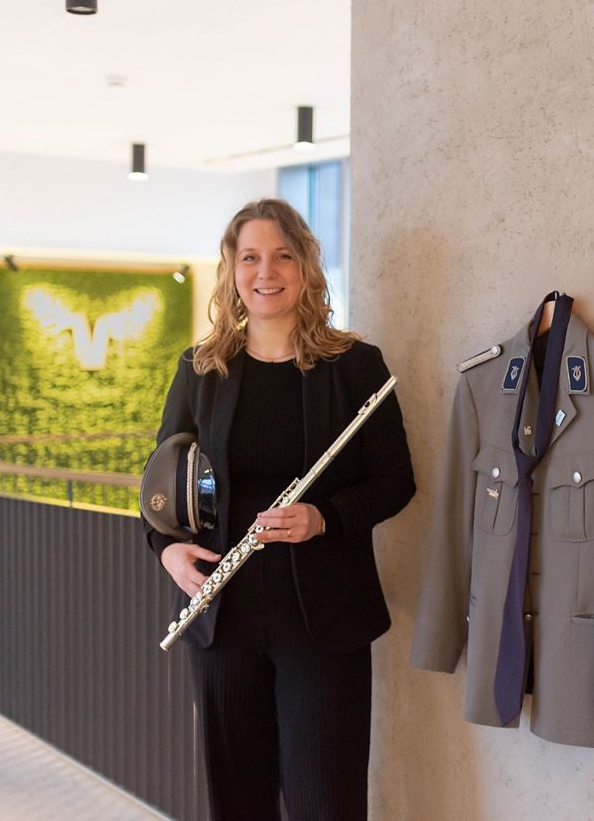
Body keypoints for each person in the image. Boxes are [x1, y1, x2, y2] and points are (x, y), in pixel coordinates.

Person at [145, 198, 415, 821]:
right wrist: (167, 550)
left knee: (327, 801)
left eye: (282, 255)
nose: (266, 271)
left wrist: (324, 517)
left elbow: (395, 481)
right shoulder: (200, 369)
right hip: (222, 616)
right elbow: (159, 487)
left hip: (323, 623)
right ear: (231, 270)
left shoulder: (355, 366)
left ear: (305, 266)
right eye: (250, 257)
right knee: (238, 802)